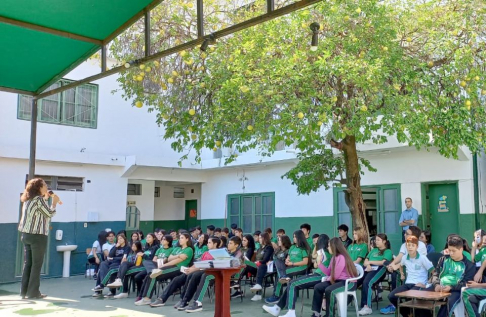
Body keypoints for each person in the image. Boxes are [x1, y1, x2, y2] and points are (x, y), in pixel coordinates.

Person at [262, 234, 331, 317]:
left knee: (292, 283)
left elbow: (316, 264)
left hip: (319, 276)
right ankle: (277, 308)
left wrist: (317, 255)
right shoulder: (326, 253)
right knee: (292, 283)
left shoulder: (322, 252)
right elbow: (316, 264)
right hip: (317, 275)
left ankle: (290, 312)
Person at [18, 178, 60, 299]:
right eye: (44, 185)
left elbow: (39, 211)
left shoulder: (28, 200)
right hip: (37, 235)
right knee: (36, 265)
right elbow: (49, 214)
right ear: (39, 187)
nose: (46, 187)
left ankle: (24, 292)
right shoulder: (39, 200)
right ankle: (33, 293)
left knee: (28, 264)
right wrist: (54, 203)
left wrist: (46, 199)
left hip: (26, 235)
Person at [159, 237, 221, 311]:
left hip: (210, 272)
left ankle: (193, 302)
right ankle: (183, 300)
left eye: (209, 243)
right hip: (199, 270)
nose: (207, 244)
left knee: (194, 275)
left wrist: (193, 269)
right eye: (207, 242)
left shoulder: (219, 253)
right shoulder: (206, 253)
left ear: (215, 244)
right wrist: (190, 269)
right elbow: (199, 263)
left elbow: (208, 265)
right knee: (181, 277)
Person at [185, 236, 244, 313]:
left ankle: (197, 303)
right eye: (228, 243)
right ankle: (186, 300)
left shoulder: (239, 253)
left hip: (229, 274)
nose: (228, 245)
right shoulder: (225, 252)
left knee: (206, 276)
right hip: (219, 271)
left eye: (230, 243)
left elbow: (235, 264)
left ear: (236, 245)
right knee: (197, 274)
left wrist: (226, 259)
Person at [422, 235, 475, 317]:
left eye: (454, 251)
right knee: (420, 298)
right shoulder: (443, 259)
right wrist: (436, 284)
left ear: (461, 249)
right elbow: (436, 274)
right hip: (439, 286)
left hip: (455, 290)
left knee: (447, 304)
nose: (451, 253)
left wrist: (451, 287)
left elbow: (466, 283)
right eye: (449, 250)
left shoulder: (469, 265)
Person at [380, 236, 434, 315]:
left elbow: (434, 271)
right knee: (392, 296)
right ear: (406, 246)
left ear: (417, 247)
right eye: (408, 245)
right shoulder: (405, 258)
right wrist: (402, 274)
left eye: (413, 245)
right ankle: (408, 314)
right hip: (408, 284)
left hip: (419, 284)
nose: (410, 247)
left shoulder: (422, 258)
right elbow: (401, 265)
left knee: (412, 296)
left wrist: (427, 284)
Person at [137, 233, 194, 306]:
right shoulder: (177, 248)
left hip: (178, 268)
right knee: (151, 274)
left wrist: (164, 265)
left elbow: (177, 261)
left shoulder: (189, 249)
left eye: (182, 238)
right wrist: (179, 255)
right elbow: (169, 258)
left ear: (187, 239)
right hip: (169, 266)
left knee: (153, 275)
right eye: (179, 238)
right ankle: (144, 297)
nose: (180, 239)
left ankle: (146, 299)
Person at [311, 237, 358, 317]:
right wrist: (319, 263)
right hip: (337, 280)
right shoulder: (334, 257)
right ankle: (316, 313)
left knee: (329, 290)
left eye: (329, 246)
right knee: (318, 287)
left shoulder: (342, 257)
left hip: (348, 282)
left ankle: (330, 315)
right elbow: (329, 272)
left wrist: (327, 278)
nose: (327, 247)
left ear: (334, 246)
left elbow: (335, 275)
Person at [265, 230, 310, 304]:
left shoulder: (303, 249)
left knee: (280, 275)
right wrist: (287, 260)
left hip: (301, 267)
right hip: (290, 267)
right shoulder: (292, 247)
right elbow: (288, 257)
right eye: (293, 237)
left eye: (295, 237)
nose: (294, 238)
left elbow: (305, 262)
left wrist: (292, 263)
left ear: (299, 238)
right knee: (278, 263)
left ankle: (277, 296)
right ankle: (282, 278)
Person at [357, 233, 393, 316]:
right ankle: (346, 301)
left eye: (378, 240)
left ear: (384, 241)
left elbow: (383, 262)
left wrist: (370, 262)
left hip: (379, 269)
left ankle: (367, 307)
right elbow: (366, 260)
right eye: (375, 240)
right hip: (368, 268)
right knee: (356, 281)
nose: (376, 242)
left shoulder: (388, 251)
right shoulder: (373, 250)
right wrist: (368, 265)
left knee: (367, 282)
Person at [249, 232, 275, 301]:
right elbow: (256, 258)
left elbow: (266, 259)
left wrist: (259, 262)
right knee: (247, 266)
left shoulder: (269, 248)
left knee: (261, 266)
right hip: (257, 266)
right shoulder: (259, 248)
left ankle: (258, 293)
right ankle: (236, 282)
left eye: (260, 238)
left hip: (266, 267)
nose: (259, 239)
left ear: (265, 239)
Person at [232, 234, 256, 299]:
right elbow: (235, 257)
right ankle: (238, 290)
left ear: (249, 241)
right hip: (240, 266)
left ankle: (236, 282)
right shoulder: (240, 249)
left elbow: (247, 259)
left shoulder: (250, 249)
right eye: (242, 240)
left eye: (245, 240)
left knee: (243, 266)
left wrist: (241, 258)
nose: (243, 242)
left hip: (250, 267)